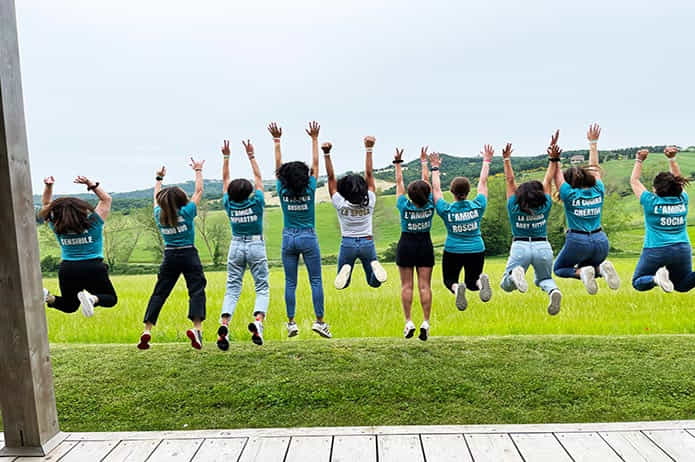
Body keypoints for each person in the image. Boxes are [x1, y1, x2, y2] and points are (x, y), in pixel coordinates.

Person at [270, 121, 331, 339]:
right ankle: (320, 322)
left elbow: (278, 166)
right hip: (308, 235)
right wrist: (315, 139)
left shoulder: (281, 188)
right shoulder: (311, 187)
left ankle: (291, 322)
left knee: (290, 282)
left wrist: (277, 141)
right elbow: (316, 164)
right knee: (315, 280)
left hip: (288, 237)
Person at [138, 159, 207, 350]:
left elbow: (155, 198)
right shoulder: (187, 210)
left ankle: (147, 330)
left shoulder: (159, 214)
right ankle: (197, 329)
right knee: (196, 290)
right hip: (189, 254)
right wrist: (198, 170)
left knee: (160, 292)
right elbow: (199, 191)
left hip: (169, 256)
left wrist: (159, 178)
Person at [552, 124, 620, 294]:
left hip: (578, 241)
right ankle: (600, 269)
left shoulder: (569, 194)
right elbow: (595, 167)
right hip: (601, 241)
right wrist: (593, 143)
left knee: (559, 268)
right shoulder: (598, 189)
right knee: (588, 266)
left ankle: (584, 272)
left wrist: (554, 158)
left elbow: (556, 175)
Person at [217, 139, 269, 350]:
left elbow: (224, 180)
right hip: (256, 245)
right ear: (249, 192)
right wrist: (251, 155)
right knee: (262, 287)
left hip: (236, 245)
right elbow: (258, 178)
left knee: (232, 288)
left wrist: (226, 157)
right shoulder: (256, 201)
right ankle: (258, 321)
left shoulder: (228, 203)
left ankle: (224, 324)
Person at [499, 142, 562, 315]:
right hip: (543, 246)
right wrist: (553, 159)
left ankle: (514, 275)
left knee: (506, 283)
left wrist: (506, 159)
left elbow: (510, 180)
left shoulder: (513, 205)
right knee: (545, 279)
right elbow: (548, 179)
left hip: (520, 246)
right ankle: (554, 292)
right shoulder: (546, 204)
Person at [40, 175, 117, 316]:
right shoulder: (94, 222)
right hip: (93, 267)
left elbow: (46, 204)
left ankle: (48, 297)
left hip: (68, 268)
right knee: (110, 299)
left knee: (70, 306)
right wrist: (90, 184)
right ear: (82, 209)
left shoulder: (58, 226)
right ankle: (92, 298)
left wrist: (49, 186)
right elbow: (106, 199)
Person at [430, 146, 492, 312]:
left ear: (451, 192)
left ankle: (458, 289)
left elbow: (435, 190)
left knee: (449, 280)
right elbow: (483, 183)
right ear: (468, 191)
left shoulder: (446, 210)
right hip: (476, 248)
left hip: (453, 249)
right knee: (472, 282)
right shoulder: (478, 206)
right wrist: (486, 160)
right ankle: (480, 283)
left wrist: (435, 168)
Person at [323, 136, 388, 290]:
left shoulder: (340, 202)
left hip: (348, 243)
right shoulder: (370, 200)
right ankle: (374, 266)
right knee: (374, 283)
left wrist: (327, 154)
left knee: (343, 284)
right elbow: (370, 175)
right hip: (367, 242)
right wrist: (369, 149)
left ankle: (346, 270)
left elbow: (331, 178)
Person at [629, 147, 695, 292]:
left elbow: (634, 181)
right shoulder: (682, 199)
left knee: (638, 282)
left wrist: (639, 160)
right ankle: (659, 278)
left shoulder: (650, 201)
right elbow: (679, 180)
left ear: (655, 189)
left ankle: (655, 279)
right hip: (682, 248)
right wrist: (672, 159)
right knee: (682, 285)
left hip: (656, 249)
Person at [394, 147, 435, 341]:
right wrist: (424, 162)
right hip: (425, 244)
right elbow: (426, 184)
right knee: (425, 286)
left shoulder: (404, 205)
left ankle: (409, 321)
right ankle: (425, 322)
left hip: (406, 244)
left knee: (407, 286)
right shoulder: (430, 204)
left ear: (410, 195)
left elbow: (399, 182)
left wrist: (398, 163)